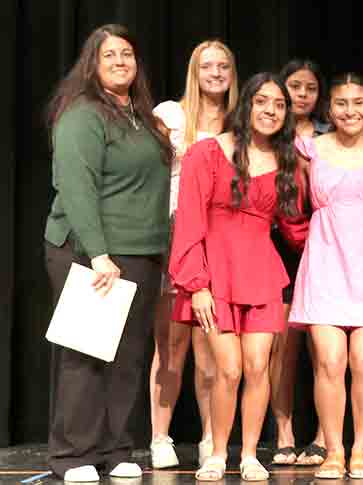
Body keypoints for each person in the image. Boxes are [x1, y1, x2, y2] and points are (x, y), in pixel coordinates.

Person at [44, 24, 173, 483]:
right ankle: (73, 455)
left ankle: (116, 447)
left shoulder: (140, 115)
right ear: (92, 65)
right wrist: (98, 253)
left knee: (128, 357)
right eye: (110, 55)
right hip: (91, 252)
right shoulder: (83, 114)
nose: (121, 61)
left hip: (141, 253)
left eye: (127, 54)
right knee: (86, 354)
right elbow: (76, 186)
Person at [169, 72, 308, 482]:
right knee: (226, 368)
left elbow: (296, 227)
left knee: (257, 366)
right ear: (246, 104)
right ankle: (216, 452)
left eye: (280, 105)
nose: (270, 111)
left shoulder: (287, 163)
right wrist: (196, 285)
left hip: (262, 273)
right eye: (263, 101)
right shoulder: (207, 152)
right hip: (215, 274)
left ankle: (249, 454)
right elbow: (190, 220)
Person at [289, 72, 363, 479]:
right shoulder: (309, 149)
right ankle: (334, 451)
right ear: (330, 108)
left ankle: (361, 451)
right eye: (341, 103)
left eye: (359, 102)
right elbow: (299, 201)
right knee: (329, 360)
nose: (350, 111)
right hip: (325, 261)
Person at [149, 39, 238, 470]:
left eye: (223, 65)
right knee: (171, 343)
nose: (216, 72)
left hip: (220, 239)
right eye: (208, 66)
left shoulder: (240, 121)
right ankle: (160, 437)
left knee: (210, 344)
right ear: (194, 70)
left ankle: (209, 435)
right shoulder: (171, 114)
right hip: (173, 234)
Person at [269, 58, 331, 468]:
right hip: (278, 246)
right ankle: (285, 432)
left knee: (325, 347)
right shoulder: (271, 133)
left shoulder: (333, 134)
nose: (302, 94)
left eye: (310, 87)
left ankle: (326, 434)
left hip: (326, 246)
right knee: (283, 346)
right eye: (295, 86)